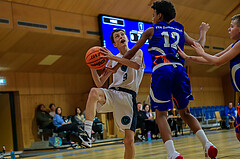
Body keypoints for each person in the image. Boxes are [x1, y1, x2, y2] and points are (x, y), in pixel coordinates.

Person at [104, 1, 218, 158]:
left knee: (161, 115)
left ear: (159, 15)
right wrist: (203, 31)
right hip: (180, 70)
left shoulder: (151, 30)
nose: (152, 18)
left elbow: (131, 53)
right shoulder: (180, 29)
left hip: (162, 70)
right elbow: (200, 46)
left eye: (153, 15)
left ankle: (172, 153)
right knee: (185, 113)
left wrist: (115, 65)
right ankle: (207, 144)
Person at [77, 28, 145, 159]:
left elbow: (135, 66)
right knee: (94, 92)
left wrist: (112, 57)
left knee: (129, 141)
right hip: (113, 93)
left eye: (122, 35)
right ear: (115, 44)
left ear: (127, 38)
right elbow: (99, 83)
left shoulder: (137, 52)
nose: (121, 37)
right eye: (117, 37)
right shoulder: (113, 59)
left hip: (128, 97)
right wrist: (92, 67)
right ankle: (87, 135)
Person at [178, 14, 240, 142]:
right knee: (238, 133)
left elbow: (217, 61)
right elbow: (212, 59)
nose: (228, 29)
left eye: (232, 26)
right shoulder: (234, 45)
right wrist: (189, 57)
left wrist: (202, 52)